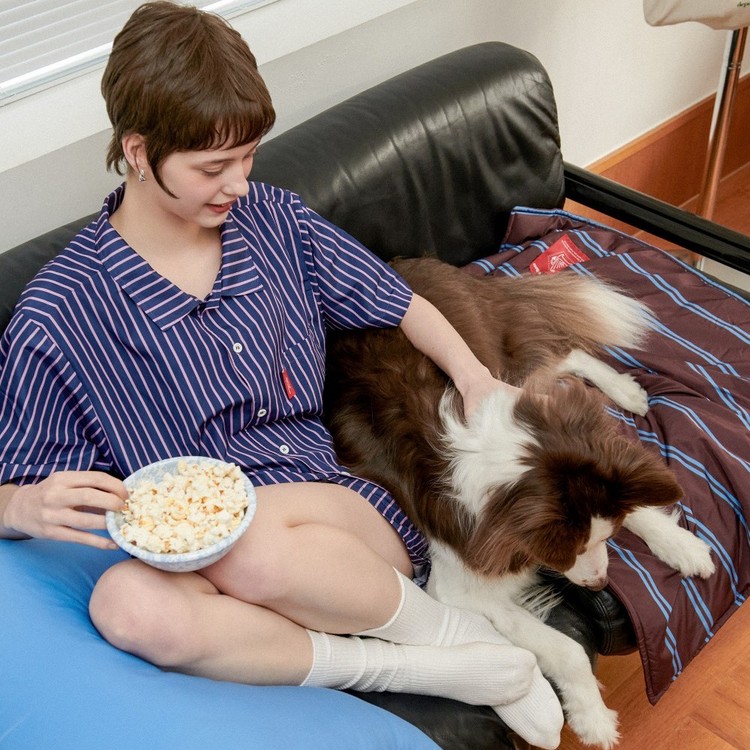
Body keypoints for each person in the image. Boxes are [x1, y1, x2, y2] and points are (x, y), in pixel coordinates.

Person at [0, 3, 563, 747]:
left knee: (249, 537)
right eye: (212, 168)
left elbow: (399, 303)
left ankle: (450, 632)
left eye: (248, 157)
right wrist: (19, 506)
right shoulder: (58, 314)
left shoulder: (275, 222)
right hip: (199, 565)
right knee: (124, 607)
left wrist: (474, 376)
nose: (238, 183)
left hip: (341, 524)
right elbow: (14, 483)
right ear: (138, 152)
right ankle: (415, 666)